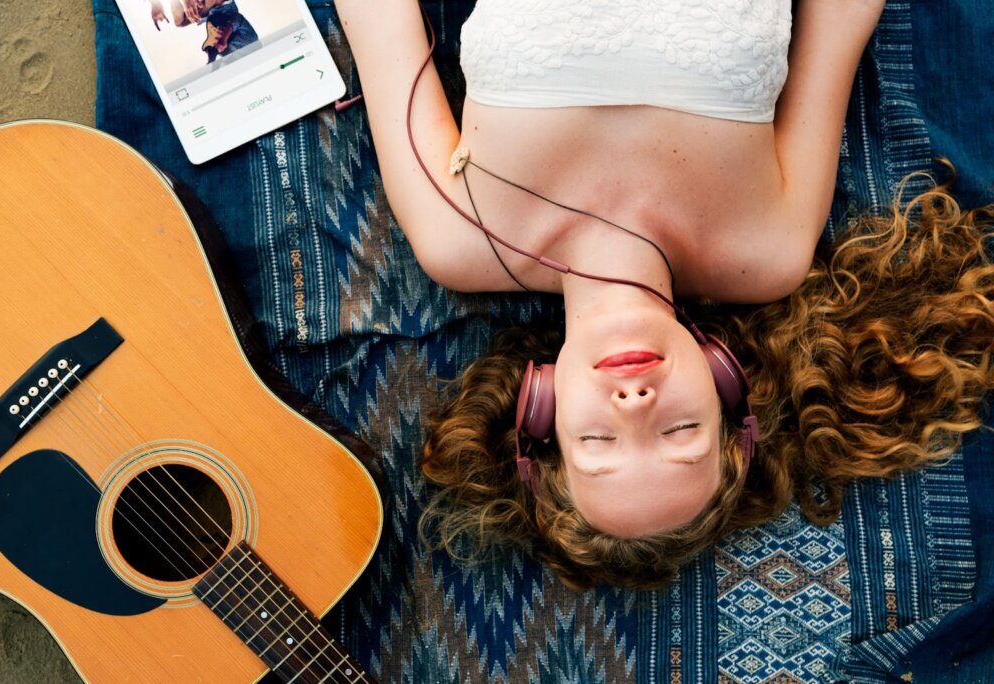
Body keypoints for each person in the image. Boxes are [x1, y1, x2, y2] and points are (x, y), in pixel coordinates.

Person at [331, 0, 986, 590]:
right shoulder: (768, 251)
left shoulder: (458, 238)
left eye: (598, 444)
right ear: (726, 387)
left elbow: (378, 18)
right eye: (680, 431)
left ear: (542, 411)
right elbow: (841, 17)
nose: (635, 406)